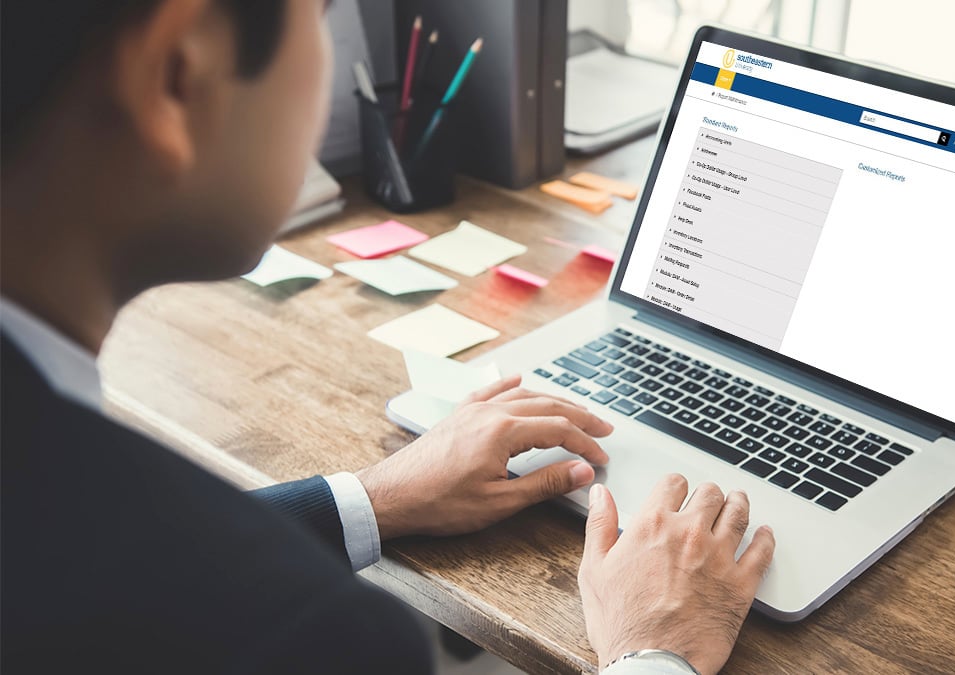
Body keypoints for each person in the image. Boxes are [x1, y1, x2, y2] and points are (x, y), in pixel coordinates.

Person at [0, 1, 776, 673]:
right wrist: (651, 653)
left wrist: (372, 499)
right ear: (176, 71)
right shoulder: (298, 639)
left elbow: (133, 572)